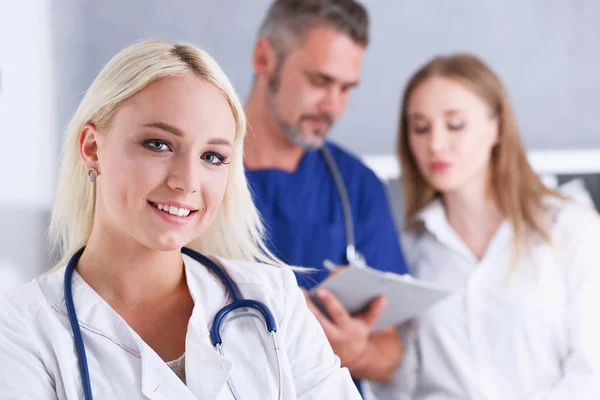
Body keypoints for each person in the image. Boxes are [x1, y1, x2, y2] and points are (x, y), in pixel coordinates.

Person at [0, 39, 361, 399]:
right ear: (93, 148)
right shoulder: (20, 328)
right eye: (159, 144)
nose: (186, 182)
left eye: (212, 156)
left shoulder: (274, 302)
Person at [391, 53, 600, 399]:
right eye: (421, 128)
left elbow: (592, 374)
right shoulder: (411, 250)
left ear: (497, 128)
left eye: (455, 124)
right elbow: (402, 386)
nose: (436, 144)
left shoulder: (572, 230)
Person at [244, 0, 408, 392]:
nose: (333, 106)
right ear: (265, 58)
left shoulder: (358, 186)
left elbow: (391, 350)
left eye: (346, 88)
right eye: (319, 81)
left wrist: (357, 352)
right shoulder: (197, 173)